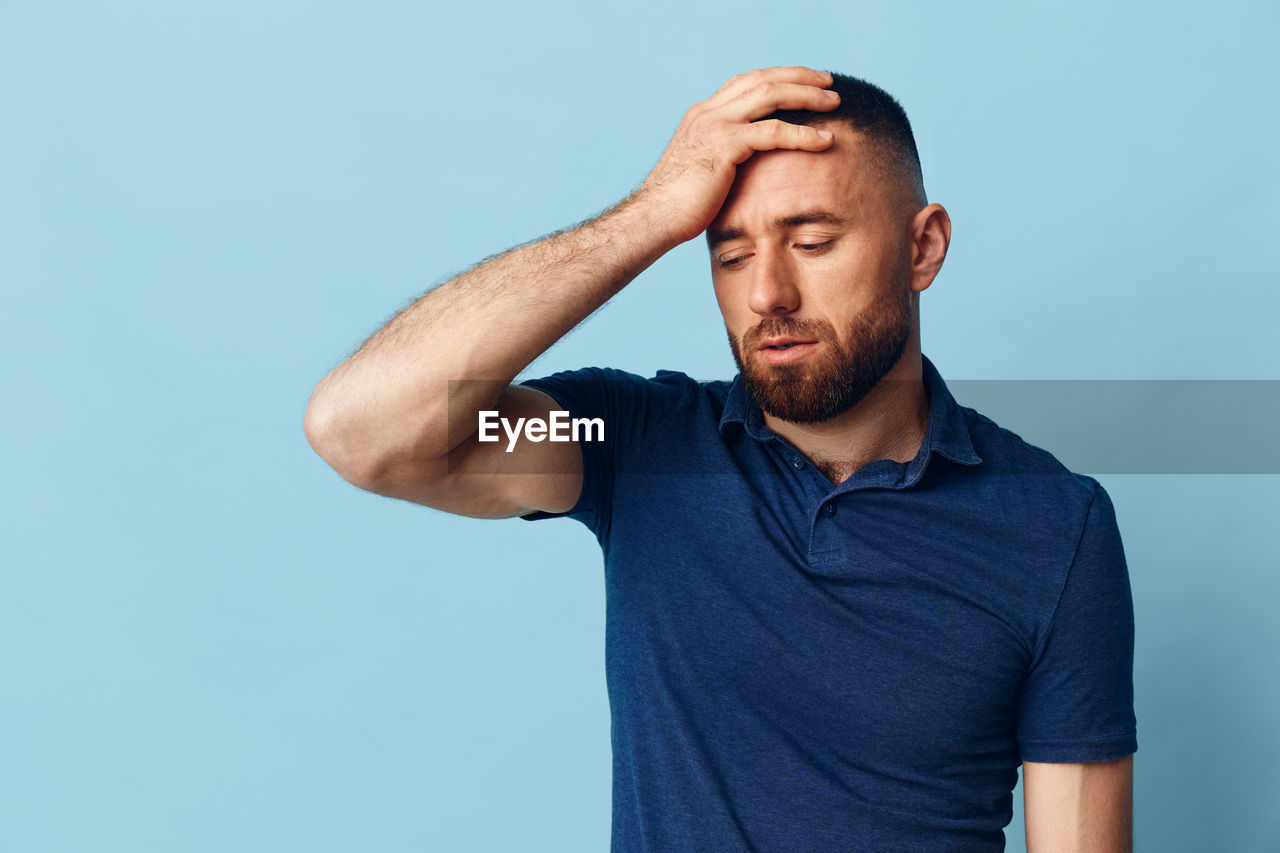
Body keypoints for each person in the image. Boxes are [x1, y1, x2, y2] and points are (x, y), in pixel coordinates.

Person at [304, 66, 1137, 852]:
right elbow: (361, 430)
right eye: (730, 255)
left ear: (922, 249)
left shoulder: (1055, 525)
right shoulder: (632, 447)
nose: (767, 293)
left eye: (811, 241)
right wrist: (652, 212)